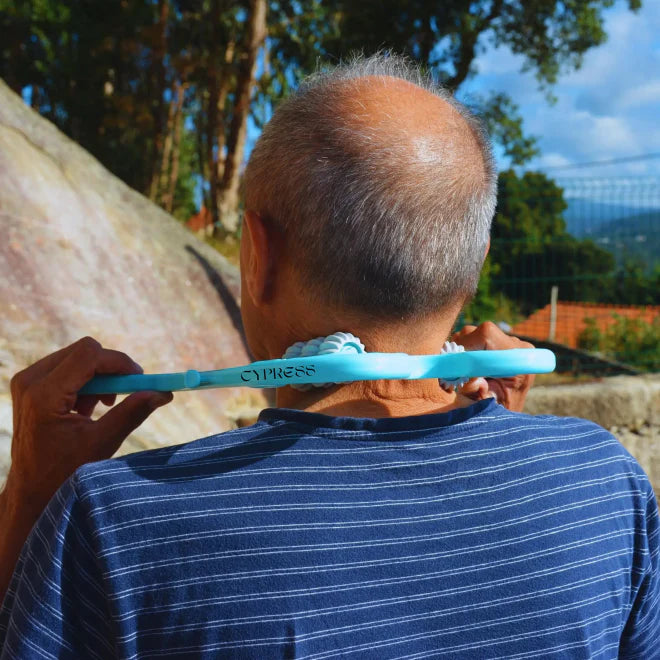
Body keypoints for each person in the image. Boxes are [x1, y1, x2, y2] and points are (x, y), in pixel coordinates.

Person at [0, 55, 658, 659]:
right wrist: (508, 443)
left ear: (257, 255)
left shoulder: (116, 522)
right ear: (472, 270)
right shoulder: (603, 487)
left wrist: (30, 500)